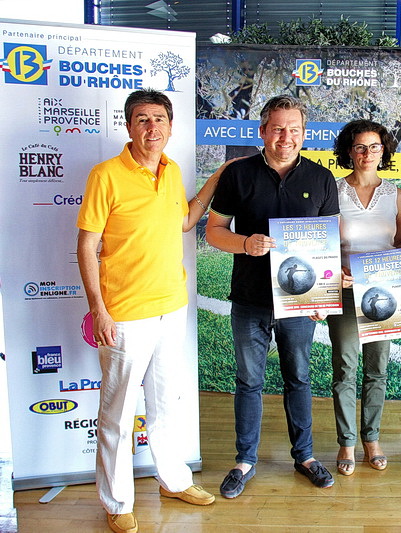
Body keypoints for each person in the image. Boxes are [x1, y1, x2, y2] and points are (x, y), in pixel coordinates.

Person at [77, 89, 223, 533]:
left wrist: (217, 176)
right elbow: (86, 244)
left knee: (164, 403)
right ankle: (117, 501)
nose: (152, 129)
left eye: (159, 119)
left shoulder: (172, 169)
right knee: (118, 413)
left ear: (170, 126)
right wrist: (98, 309)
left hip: (170, 306)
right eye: (142, 120)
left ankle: (172, 480)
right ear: (128, 126)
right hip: (124, 311)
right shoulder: (105, 175)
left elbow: (182, 221)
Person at [205, 95, 339, 497]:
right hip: (249, 299)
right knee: (249, 380)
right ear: (262, 131)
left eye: (294, 129)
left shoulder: (320, 179)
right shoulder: (237, 173)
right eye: (278, 128)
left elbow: (328, 244)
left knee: (299, 377)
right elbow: (213, 231)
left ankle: (306, 457)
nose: (286, 137)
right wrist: (245, 243)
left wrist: (322, 295)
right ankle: (244, 461)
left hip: (299, 304)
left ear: (304, 133)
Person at [327, 120, 401, 476]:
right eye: (360, 147)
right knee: (345, 368)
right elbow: (322, 244)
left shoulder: (396, 195)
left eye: (374, 147)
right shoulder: (332, 191)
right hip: (345, 292)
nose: (367, 153)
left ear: (383, 151)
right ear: (349, 150)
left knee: (377, 369)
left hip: (384, 295)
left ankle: (371, 439)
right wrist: (337, 273)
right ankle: (346, 441)